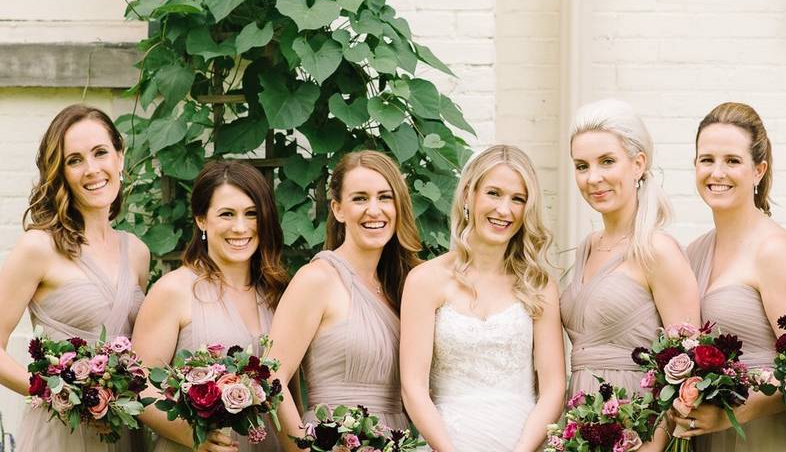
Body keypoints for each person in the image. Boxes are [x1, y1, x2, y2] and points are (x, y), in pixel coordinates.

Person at [0, 104, 150, 451]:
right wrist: (55, 391)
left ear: (120, 157)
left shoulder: (138, 252)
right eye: (75, 160)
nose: (92, 169)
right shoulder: (38, 247)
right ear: (61, 172)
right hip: (59, 433)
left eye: (100, 153)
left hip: (124, 431)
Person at [675, 102, 786, 451]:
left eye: (733, 161)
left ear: (758, 170)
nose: (717, 172)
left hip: (765, 435)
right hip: (710, 436)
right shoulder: (693, 252)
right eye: (707, 159)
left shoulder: (774, 251)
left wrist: (732, 414)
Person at [400, 144, 565, 452]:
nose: (504, 210)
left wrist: (523, 449)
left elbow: (554, 388)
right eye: (493, 193)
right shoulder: (425, 281)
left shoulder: (538, 286)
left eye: (518, 199)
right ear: (468, 195)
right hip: (447, 442)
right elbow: (413, 387)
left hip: (521, 442)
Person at [563, 99, 699, 450]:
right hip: (583, 425)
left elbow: (685, 368)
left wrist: (652, 446)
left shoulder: (658, 250)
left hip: (640, 433)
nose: (593, 178)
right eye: (582, 166)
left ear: (638, 164)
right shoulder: (587, 247)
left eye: (607, 162)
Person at [133, 161, 288, 452]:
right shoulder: (174, 291)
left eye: (251, 214)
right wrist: (192, 434)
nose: (240, 227)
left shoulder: (275, 294)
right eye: (227, 214)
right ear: (202, 219)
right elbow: (138, 386)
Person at [270, 150, 421, 446]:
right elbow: (272, 378)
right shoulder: (318, 279)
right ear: (338, 209)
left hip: (395, 439)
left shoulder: (403, 286)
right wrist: (303, 446)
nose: (374, 210)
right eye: (360, 198)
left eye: (385, 197)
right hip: (332, 441)